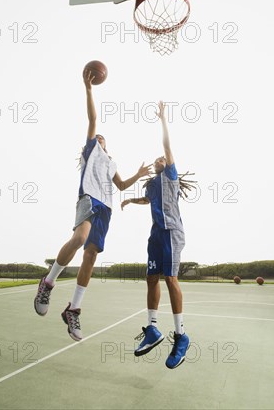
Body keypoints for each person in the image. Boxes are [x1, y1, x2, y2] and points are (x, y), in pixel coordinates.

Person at [34, 69, 151, 342]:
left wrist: (139, 174)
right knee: (79, 239)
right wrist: (89, 89)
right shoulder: (90, 150)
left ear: (107, 146)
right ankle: (48, 282)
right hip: (88, 198)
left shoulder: (110, 162)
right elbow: (93, 118)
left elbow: (121, 186)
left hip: (106, 208)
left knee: (91, 256)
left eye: (102, 139)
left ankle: (73, 309)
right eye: (97, 138)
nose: (100, 138)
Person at [121, 101, 189, 369]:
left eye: (161, 159)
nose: (158, 159)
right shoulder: (152, 185)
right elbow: (146, 200)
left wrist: (162, 119)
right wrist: (129, 201)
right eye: (157, 159)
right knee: (150, 278)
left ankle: (181, 335)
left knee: (170, 279)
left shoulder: (171, 176)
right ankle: (152, 329)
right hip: (156, 234)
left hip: (172, 232)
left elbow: (167, 147)